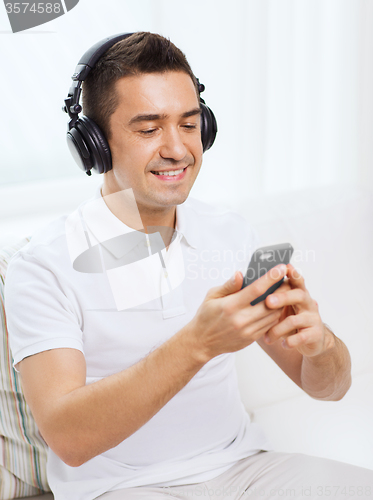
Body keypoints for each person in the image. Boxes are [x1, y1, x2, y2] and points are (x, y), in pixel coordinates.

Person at [4, 32, 373, 500]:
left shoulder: (230, 232)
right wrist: (198, 343)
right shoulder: (43, 267)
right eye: (148, 128)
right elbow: (68, 439)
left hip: (246, 471)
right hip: (123, 489)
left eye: (189, 124)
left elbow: (328, 389)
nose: (178, 149)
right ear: (94, 145)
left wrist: (323, 347)